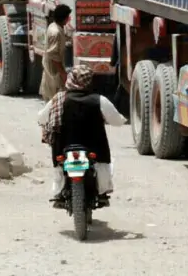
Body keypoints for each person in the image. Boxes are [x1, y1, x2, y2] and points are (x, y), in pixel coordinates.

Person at [38, 65, 127, 207]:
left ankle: (59, 191)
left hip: (63, 147)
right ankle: (102, 193)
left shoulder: (59, 99)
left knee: (59, 169)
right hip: (94, 147)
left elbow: (41, 118)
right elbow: (117, 121)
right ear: (90, 81)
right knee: (103, 165)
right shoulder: (99, 100)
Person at [40, 5, 72, 101]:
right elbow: (54, 56)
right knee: (54, 101)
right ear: (65, 18)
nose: (69, 19)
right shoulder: (56, 32)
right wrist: (63, 73)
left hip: (52, 72)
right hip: (54, 72)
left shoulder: (55, 26)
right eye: (68, 17)